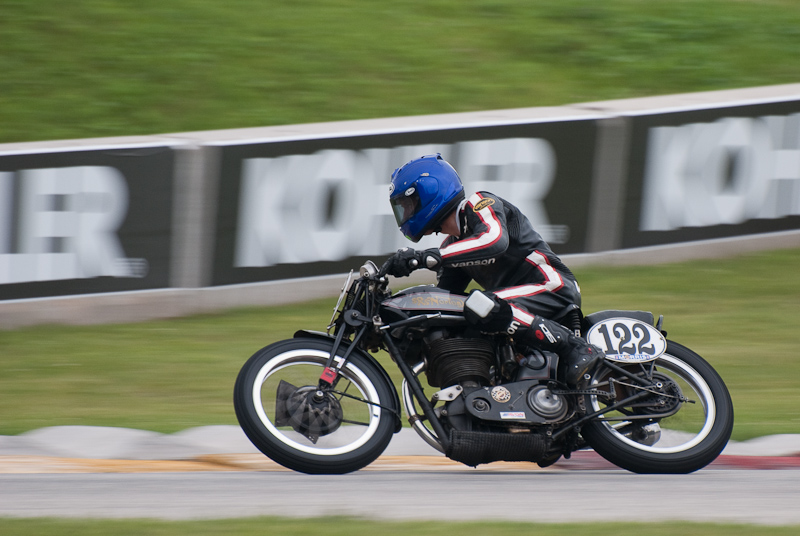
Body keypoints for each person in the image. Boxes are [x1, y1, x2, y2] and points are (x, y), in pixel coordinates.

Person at [386, 153, 601, 388]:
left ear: (429, 191)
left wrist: (426, 258)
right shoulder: (451, 247)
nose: (406, 212)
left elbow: (494, 241)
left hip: (551, 285)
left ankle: (575, 347)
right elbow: (446, 299)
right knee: (462, 314)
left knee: (481, 305)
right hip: (516, 304)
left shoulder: (478, 203)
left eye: (408, 204)